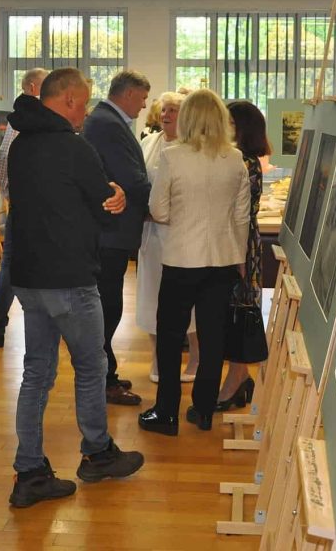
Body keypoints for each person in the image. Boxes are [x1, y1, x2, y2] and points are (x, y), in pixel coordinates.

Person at [7, 67, 145, 508]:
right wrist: (117, 195)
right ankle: (98, 453)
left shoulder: (21, 144)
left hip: (29, 278)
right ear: (67, 100)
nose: (85, 112)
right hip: (70, 278)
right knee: (91, 367)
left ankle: (29, 470)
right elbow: (104, 206)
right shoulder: (74, 147)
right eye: (83, 103)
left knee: (36, 373)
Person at [138, 89, 250, 436]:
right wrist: (239, 257)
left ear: (187, 117)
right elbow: (242, 216)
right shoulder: (234, 159)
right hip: (222, 259)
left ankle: (166, 412)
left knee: (171, 336)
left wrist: (182, 219)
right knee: (213, 335)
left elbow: (158, 210)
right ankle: (203, 409)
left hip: (182, 259)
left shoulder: (173, 156)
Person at [82, 70, 152, 406]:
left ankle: (106, 372)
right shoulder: (107, 124)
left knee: (108, 304)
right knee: (107, 307)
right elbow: (131, 178)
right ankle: (103, 379)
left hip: (112, 230)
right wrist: (161, 202)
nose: (145, 105)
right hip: (110, 230)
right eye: (143, 98)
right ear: (128, 94)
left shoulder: (107, 120)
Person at [0, 67, 49, 349]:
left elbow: (2, 169)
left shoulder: (21, 119)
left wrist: (13, 196)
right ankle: (2, 327)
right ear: (31, 87)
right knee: (14, 267)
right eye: (45, 84)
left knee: (11, 267)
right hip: (33, 209)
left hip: (24, 207)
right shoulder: (26, 120)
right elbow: (5, 162)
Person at [135, 92, 199, 384]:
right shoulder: (148, 143)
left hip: (183, 233)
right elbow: (138, 182)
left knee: (189, 300)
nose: (166, 115)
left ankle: (195, 356)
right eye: (164, 110)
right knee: (152, 296)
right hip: (152, 235)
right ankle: (158, 357)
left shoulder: (194, 147)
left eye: (173, 110)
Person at [215, 100, 270, 411]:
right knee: (233, 311)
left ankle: (236, 378)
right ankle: (240, 377)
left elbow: (240, 212)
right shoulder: (236, 159)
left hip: (241, 245)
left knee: (240, 311)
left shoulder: (245, 162)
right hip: (236, 241)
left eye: (230, 123)